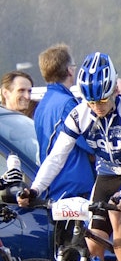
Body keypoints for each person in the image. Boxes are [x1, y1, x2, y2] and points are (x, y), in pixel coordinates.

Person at [20, 53, 121, 261]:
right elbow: (56, 157)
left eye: (102, 100)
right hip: (106, 175)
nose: (97, 107)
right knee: (91, 248)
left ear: (115, 89)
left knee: (118, 214)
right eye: (91, 101)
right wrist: (35, 188)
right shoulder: (80, 114)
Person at [32, 45, 94, 202]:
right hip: (72, 187)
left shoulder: (42, 105)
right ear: (69, 71)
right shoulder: (67, 104)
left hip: (53, 186)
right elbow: (89, 143)